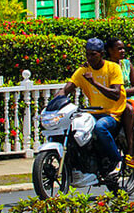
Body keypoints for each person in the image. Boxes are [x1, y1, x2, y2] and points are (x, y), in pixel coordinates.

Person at [51, 37, 125, 183]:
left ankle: (116, 161)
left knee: (100, 127)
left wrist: (94, 83)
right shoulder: (83, 70)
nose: (89, 58)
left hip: (112, 113)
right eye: (87, 54)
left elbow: (116, 94)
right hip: (92, 112)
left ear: (101, 54)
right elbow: (67, 88)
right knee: (74, 131)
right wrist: (55, 101)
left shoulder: (113, 68)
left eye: (93, 54)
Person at [106, 37, 134, 170]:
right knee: (128, 110)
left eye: (123, 48)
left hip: (127, 99)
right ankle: (129, 147)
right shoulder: (106, 66)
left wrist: (122, 91)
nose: (122, 51)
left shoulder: (126, 64)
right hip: (112, 102)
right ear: (110, 51)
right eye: (119, 49)